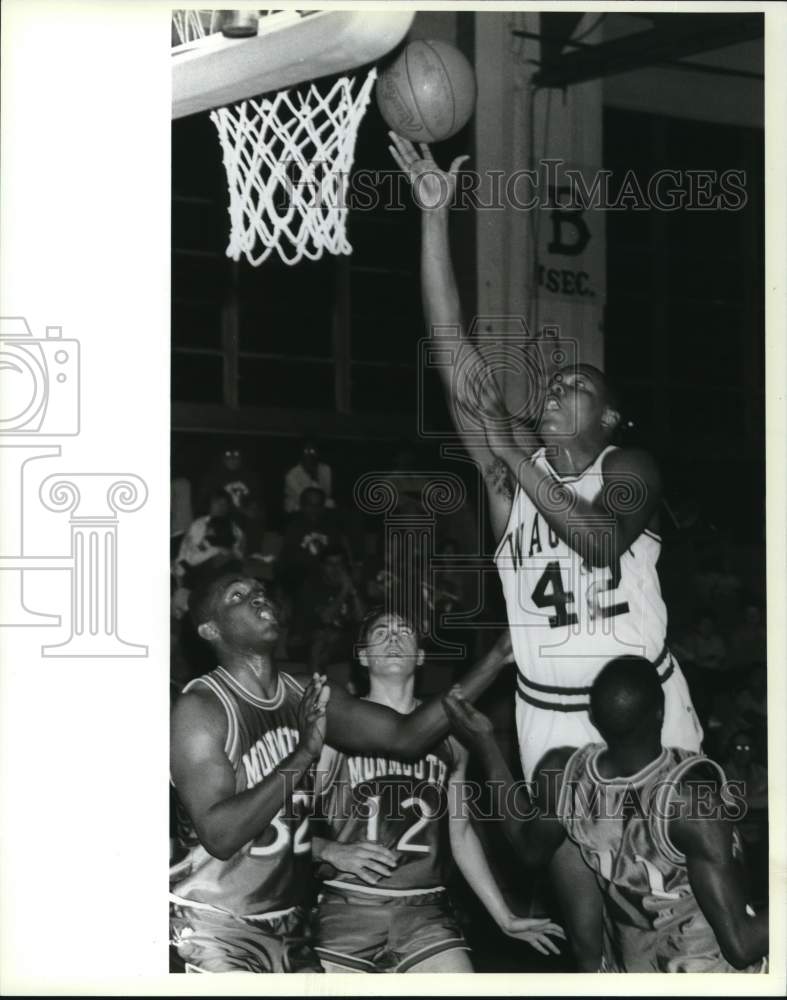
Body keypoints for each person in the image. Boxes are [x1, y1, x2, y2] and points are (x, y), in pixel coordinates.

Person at [389, 132, 703, 969]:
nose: (560, 387)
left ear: (604, 420)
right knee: (584, 927)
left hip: (650, 717)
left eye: (580, 389)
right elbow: (452, 347)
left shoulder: (625, 469)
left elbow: (598, 542)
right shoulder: (509, 483)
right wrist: (431, 217)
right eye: (555, 383)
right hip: (548, 717)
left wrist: (517, 454)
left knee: (661, 918)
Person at [170, 571, 515, 973]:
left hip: (292, 926)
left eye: (260, 591)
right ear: (210, 629)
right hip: (214, 924)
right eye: (238, 596)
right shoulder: (200, 709)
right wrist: (303, 756)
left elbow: (407, 737)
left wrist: (494, 659)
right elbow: (221, 835)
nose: (258, 597)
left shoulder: (306, 692)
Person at [443, 657, 768, 973]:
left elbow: (528, 849)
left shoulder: (565, 775)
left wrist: (485, 743)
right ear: (660, 712)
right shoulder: (690, 802)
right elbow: (742, 946)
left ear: (594, 719)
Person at [310, 607, 565, 973]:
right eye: (381, 632)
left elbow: (459, 833)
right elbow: (286, 814)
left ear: (421, 655)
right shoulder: (336, 729)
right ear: (363, 656)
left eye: (405, 632)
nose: (394, 639)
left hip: (426, 914)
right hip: (348, 909)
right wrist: (329, 849)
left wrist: (504, 916)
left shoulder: (453, 738)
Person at [283, 438, 335, 515]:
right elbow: (305, 498)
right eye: (306, 451)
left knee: (331, 504)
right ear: (301, 453)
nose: (309, 454)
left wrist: (315, 476)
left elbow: (327, 493)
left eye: (313, 451)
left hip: (320, 504)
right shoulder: (291, 474)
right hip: (297, 506)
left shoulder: (326, 469)